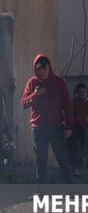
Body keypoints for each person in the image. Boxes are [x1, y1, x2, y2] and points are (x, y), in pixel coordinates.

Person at [21, 54, 73, 183]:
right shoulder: (32, 82)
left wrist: (69, 126)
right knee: (41, 161)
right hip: (38, 128)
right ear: (36, 69)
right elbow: (23, 103)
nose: (42, 71)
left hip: (56, 127)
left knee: (63, 160)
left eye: (45, 67)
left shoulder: (58, 82)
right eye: (39, 68)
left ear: (49, 67)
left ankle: (70, 191)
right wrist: (34, 95)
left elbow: (68, 105)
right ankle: (42, 193)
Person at [68, 83, 88, 176]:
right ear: (76, 92)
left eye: (84, 91)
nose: (82, 93)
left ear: (87, 92)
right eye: (80, 91)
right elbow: (69, 114)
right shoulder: (73, 102)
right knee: (76, 148)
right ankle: (76, 168)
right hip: (76, 128)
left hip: (87, 128)